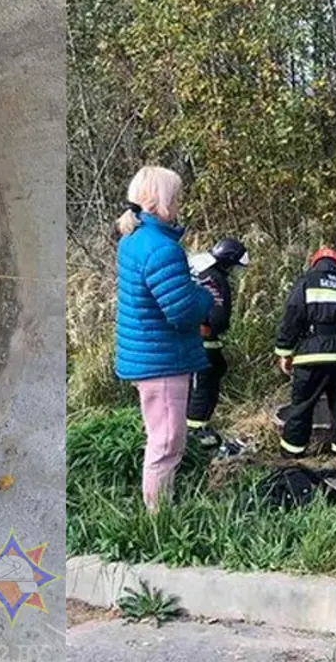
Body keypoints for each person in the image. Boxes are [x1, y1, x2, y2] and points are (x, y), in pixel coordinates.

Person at [114, 165, 214, 512]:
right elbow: (182, 311)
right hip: (163, 359)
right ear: (159, 201)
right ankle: (159, 521)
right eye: (177, 196)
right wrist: (206, 296)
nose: (181, 203)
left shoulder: (133, 240)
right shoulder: (160, 248)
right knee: (168, 442)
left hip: (148, 354)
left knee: (161, 439)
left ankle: (158, 510)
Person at [274, 247, 336, 458]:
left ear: (314, 263)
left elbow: (292, 317)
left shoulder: (307, 281)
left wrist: (285, 352)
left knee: (301, 406)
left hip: (313, 354)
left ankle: (292, 456)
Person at [185, 237, 249, 451]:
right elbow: (218, 315)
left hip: (183, 339)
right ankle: (196, 433)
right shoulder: (214, 278)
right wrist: (215, 327)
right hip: (202, 341)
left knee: (198, 381)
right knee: (204, 385)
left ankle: (190, 431)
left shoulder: (194, 265)